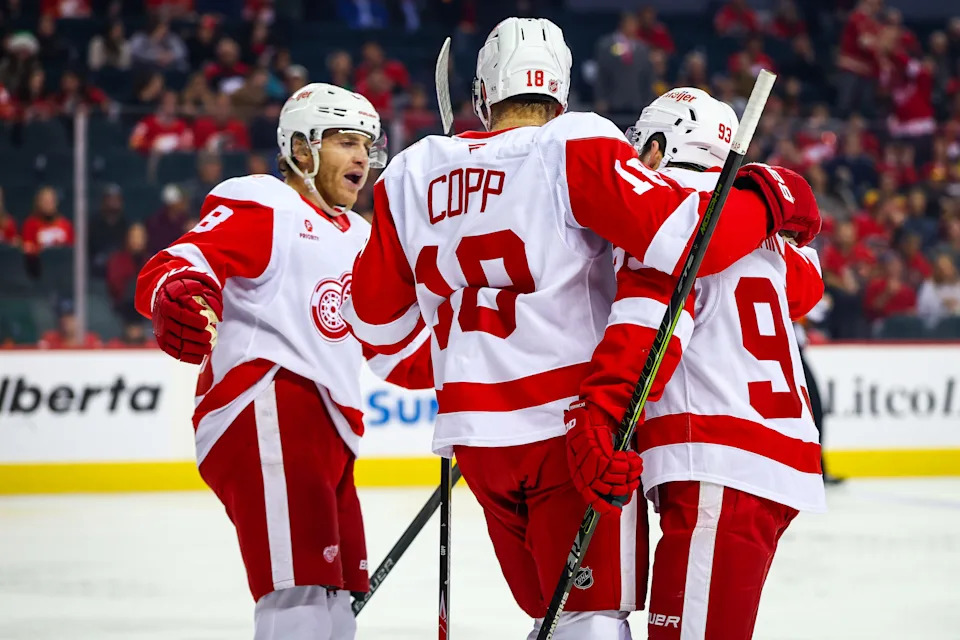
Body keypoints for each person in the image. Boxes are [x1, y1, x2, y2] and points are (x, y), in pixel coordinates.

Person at [342, 18, 820, 640]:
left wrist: (469, 359)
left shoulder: (410, 171)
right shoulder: (577, 143)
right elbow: (682, 243)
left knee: (547, 610)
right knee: (590, 617)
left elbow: (378, 334)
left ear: (485, 94)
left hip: (475, 439)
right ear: (561, 93)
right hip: (571, 431)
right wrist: (771, 196)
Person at [134, 83, 429, 640]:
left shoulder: (365, 238)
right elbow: (182, 261)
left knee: (336, 596)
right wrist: (181, 293)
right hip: (266, 403)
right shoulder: (267, 203)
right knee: (295, 592)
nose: (362, 157)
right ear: (301, 150)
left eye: (367, 144)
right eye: (346, 142)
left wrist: (468, 369)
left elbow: (392, 347)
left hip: (330, 430)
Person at [614, 87, 825, 640]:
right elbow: (807, 288)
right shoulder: (759, 221)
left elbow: (646, 322)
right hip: (768, 462)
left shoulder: (667, 211)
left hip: (717, 458)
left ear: (659, 146)